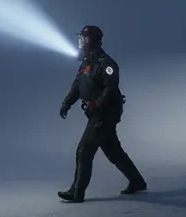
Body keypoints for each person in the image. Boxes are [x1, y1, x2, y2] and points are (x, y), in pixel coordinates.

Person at [57, 25, 147, 202]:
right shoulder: (86, 63)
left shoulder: (106, 63)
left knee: (84, 150)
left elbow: (111, 86)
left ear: (91, 40)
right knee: (114, 151)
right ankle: (137, 182)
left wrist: (98, 104)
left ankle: (77, 192)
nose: (80, 41)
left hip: (105, 113)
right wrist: (67, 103)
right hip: (97, 113)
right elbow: (77, 86)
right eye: (80, 38)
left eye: (83, 38)